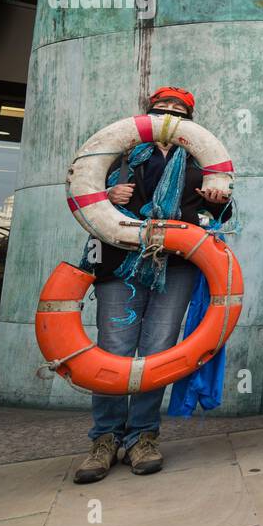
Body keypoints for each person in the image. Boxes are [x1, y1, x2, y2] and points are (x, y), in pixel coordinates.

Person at [75, 87, 232, 483]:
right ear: (147, 116)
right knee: (114, 351)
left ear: (188, 121)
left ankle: (143, 435)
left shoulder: (201, 165)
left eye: (178, 109)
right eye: (162, 107)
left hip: (176, 268)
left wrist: (216, 201)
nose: (169, 112)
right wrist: (109, 194)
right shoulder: (119, 156)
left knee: (158, 351)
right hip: (119, 265)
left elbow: (221, 216)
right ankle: (105, 438)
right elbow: (87, 200)